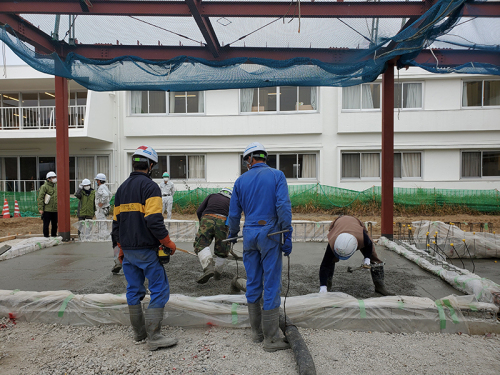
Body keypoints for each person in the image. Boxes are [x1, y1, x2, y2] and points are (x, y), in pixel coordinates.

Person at [112, 145, 178, 351]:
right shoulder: (151, 188)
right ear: (150, 165)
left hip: (128, 251)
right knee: (159, 289)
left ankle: (139, 333)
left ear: (134, 163)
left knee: (133, 289)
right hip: (147, 250)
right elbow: (154, 221)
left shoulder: (121, 189)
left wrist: (118, 250)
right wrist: (168, 243)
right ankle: (154, 336)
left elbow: (116, 224)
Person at [227, 142, 292, 352]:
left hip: (249, 235)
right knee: (271, 283)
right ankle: (271, 339)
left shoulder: (240, 181)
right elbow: (283, 206)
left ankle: (256, 333)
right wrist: (287, 234)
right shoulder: (277, 176)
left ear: (249, 160)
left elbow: (234, 214)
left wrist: (232, 235)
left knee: (253, 282)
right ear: (264, 158)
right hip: (270, 233)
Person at [318, 215, 393, 296]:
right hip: (338, 224)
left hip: (356, 224)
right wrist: (322, 286)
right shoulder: (333, 242)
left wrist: (367, 259)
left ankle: (380, 286)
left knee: (374, 257)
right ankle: (326, 286)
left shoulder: (362, 238)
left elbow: (369, 245)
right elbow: (324, 265)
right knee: (329, 260)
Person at [194, 188, 232, 284]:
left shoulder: (212, 196)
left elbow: (199, 210)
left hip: (207, 218)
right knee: (222, 248)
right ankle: (217, 274)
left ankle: (208, 268)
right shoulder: (232, 201)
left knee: (201, 244)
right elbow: (234, 216)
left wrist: (202, 223)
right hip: (223, 221)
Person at [37, 171, 58, 238]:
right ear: (48, 179)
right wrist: (41, 208)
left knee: (55, 225)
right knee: (46, 225)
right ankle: (46, 237)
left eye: (55, 177)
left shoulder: (57, 186)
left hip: (55, 209)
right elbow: (40, 198)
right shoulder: (44, 187)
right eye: (53, 177)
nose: (55, 179)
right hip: (47, 209)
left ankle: (54, 236)